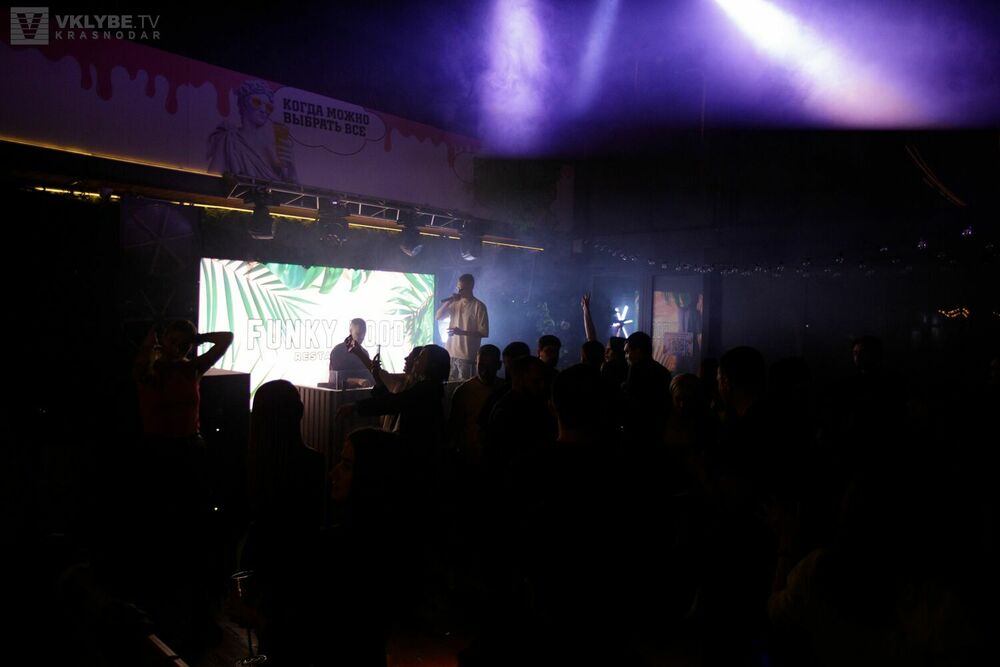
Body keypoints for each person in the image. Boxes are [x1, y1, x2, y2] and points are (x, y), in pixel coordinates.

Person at [131, 320, 233, 658]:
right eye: (176, 340)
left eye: (185, 343)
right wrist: (158, 345)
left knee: (195, 535)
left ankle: (198, 619)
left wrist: (197, 338)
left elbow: (226, 339)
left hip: (191, 453)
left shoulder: (192, 369)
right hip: (160, 456)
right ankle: (165, 616)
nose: (182, 347)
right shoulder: (149, 370)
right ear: (164, 341)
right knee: (165, 535)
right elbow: (143, 362)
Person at [242, 380, 325, 666]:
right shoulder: (314, 464)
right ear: (298, 413)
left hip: (263, 567)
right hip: (303, 569)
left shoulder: (251, 465)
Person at [207, 79, 298, 183]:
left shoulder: (275, 146)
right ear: (244, 104)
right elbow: (212, 180)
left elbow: (291, 186)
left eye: (268, 107)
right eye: (257, 102)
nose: (263, 110)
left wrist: (292, 167)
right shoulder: (230, 140)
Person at [436, 274, 489, 381]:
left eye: (462, 289)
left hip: (467, 357)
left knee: (464, 387)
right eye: (458, 288)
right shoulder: (455, 303)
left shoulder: (479, 306)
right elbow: (438, 316)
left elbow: (483, 332)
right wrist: (450, 301)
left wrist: (462, 332)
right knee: (449, 386)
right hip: (450, 354)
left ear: (471, 287)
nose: (459, 291)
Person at [329, 318, 374, 388]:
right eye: (358, 334)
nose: (361, 337)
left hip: (361, 392)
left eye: (363, 333)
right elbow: (337, 377)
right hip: (340, 392)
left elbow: (368, 375)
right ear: (350, 331)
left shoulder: (364, 353)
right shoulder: (338, 351)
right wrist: (358, 381)